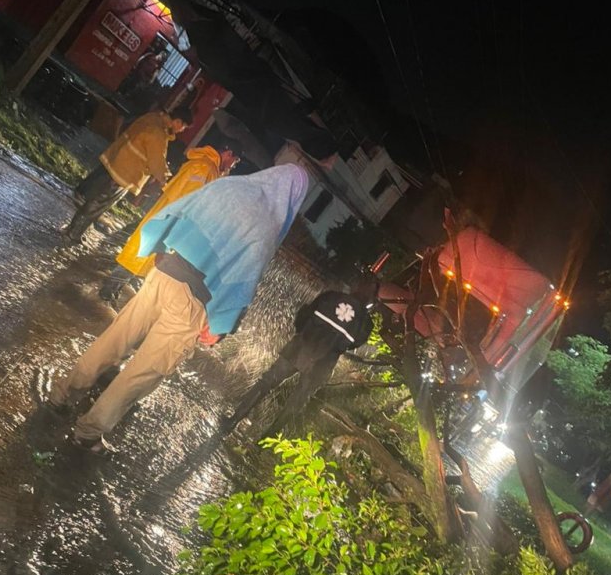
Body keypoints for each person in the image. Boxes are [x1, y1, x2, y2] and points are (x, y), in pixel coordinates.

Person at [48, 164, 309, 452]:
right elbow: (243, 281)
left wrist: (159, 247)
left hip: (164, 274)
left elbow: (181, 208)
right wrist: (221, 326)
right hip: (193, 303)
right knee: (143, 371)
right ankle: (88, 432)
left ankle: (62, 393)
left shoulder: (230, 186)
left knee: (115, 338)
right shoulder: (267, 227)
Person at [220, 280, 379, 437]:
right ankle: (263, 444)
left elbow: (303, 315)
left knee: (267, 382)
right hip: (322, 364)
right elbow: (353, 345)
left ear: (355, 286)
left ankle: (233, 421)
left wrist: (304, 334)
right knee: (295, 404)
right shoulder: (366, 323)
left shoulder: (331, 296)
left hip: (300, 347)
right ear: (371, 300)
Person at [98, 142, 242, 306]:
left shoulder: (206, 166)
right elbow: (189, 199)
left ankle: (111, 291)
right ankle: (105, 293)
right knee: (140, 256)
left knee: (143, 257)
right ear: (228, 153)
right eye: (234, 161)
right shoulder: (205, 168)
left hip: (168, 219)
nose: (232, 166)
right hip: (170, 221)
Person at [61, 106, 193, 244]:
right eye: (183, 126)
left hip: (116, 161)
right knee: (97, 204)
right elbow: (156, 161)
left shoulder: (152, 118)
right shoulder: (158, 133)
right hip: (125, 173)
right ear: (178, 121)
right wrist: (165, 180)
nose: (182, 130)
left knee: (95, 201)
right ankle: (72, 234)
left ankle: (72, 230)